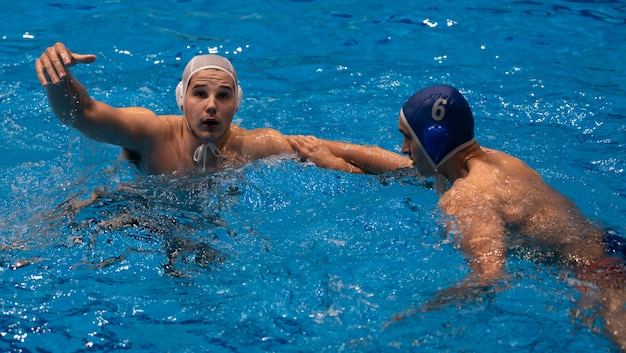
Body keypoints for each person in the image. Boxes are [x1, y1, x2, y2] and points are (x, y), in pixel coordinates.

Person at [288, 84, 626, 350]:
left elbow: (490, 277)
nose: (404, 148)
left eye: (408, 138)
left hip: (598, 276)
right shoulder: (490, 161)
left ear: (433, 141)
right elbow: (401, 165)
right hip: (611, 246)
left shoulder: (466, 197)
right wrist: (325, 151)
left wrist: (413, 318)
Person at [35, 42, 294, 175]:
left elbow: (318, 150)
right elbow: (82, 113)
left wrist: (332, 162)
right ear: (182, 99)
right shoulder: (151, 134)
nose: (212, 105)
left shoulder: (254, 145)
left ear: (236, 104)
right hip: (128, 213)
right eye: (200, 94)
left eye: (223, 96)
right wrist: (59, 78)